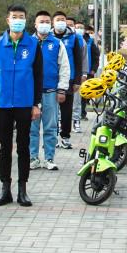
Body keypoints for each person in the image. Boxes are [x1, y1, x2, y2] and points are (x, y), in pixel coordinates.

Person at [0, 4, 44, 206]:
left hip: (25, 103)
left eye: (21, 17)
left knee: (24, 147)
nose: (17, 20)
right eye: (14, 16)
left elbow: (38, 76)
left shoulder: (33, 45)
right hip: (2, 104)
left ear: (25, 20)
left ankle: (22, 189)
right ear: (7, 20)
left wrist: (36, 104)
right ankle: (5, 189)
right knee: (4, 148)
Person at [30, 11, 70, 170]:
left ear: (51, 24)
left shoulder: (57, 44)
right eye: (41, 21)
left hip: (51, 92)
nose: (44, 24)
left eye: (47, 22)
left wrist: (62, 89)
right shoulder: (28, 43)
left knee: (51, 127)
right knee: (31, 129)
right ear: (35, 24)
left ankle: (49, 158)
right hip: (31, 95)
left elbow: (65, 67)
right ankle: (33, 158)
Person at [53, 11, 86, 148]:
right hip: (51, 79)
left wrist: (78, 80)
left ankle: (65, 136)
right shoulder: (47, 37)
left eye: (63, 19)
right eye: (58, 19)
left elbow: (78, 60)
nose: (60, 21)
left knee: (66, 111)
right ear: (53, 22)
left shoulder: (74, 38)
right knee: (51, 112)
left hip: (69, 79)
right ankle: (52, 137)